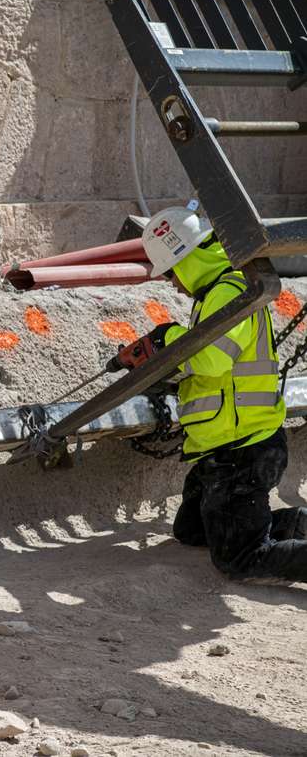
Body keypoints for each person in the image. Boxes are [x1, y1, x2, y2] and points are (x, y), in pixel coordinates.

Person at [122, 205, 307, 580]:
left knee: (241, 557)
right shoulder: (216, 293)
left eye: (173, 272)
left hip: (243, 450)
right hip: (224, 446)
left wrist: (165, 339)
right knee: (191, 531)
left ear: (187, 260)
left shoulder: (229, 291)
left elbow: (210, 361)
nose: (174, 283)